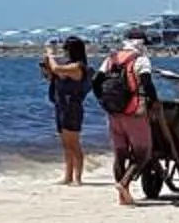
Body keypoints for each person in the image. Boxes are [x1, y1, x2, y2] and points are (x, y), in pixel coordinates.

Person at [98, 30, 157, 207]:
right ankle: (123, 184)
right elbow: (147, 84)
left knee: (120, 155)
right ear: (142, 44)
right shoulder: (141, 60)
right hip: (134, 112)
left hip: (113, 113)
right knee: (143, 154)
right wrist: (153, 103)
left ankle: (123, 197)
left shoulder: (111, 59)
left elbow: (96, 80)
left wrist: (102, 101)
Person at [38, 38, 90, 185]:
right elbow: (52, 75)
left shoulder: (78, 67)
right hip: (61, 106)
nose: (65, 52)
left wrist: (51, 56)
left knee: (74, 144)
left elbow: (57, 69)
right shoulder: (68, 66)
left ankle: (78, 177)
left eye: (66, 49)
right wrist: (46, 65)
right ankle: (68, 176)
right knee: (66, 145)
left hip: (72, 108)